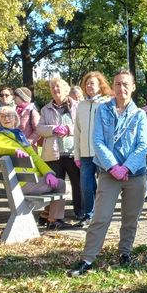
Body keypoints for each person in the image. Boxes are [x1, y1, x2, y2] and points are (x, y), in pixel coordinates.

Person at [69, 69, 147, 276]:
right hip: (109, 173)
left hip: (135, 174)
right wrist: (114, 167)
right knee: (101, 217)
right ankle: (87, 259)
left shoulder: (140, 114)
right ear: (112, 87)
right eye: (117, 84)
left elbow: (142, 145)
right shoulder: (103, 110)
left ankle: (125, 253)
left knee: (131, 217)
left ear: (133, 87)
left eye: (125, 84)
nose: (121, 88)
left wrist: (126, 168)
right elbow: (98, 141)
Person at [0, 107, 72, 230]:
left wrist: (48, 173)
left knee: (57, 183)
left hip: (30, 181)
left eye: (10, 115)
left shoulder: (20, 137)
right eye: (3, 116)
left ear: (15, 118)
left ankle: (47, 216)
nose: (6, 118)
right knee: (62, 185)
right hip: (20, 183)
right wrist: (13, 150)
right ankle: (54, 221)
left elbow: (35, 157)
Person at [37, 77, 83, 221]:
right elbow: (39, 129)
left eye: (58, 87)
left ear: (65, 89)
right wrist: (54, 129)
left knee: (78, 184)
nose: (55, 90)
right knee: (56, 186)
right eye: (52, 88)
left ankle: (80, 212)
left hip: (73, 152)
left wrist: (68, 129)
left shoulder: (78, 106)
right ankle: (56, 217)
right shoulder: (45, 109)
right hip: (54, 153)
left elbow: (83, 126)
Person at [74, 71, 113, 226]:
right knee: (86, 186)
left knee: (104, 186)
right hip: (85, 154)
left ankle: (102, 216)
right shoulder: (81, 105)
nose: (89, 86)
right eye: (87, 83)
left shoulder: (107, 103)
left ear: (100, 86)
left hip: (102, 153)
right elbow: (77, 131)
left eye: (93, 83)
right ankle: (88, 215)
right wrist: (77, 155)